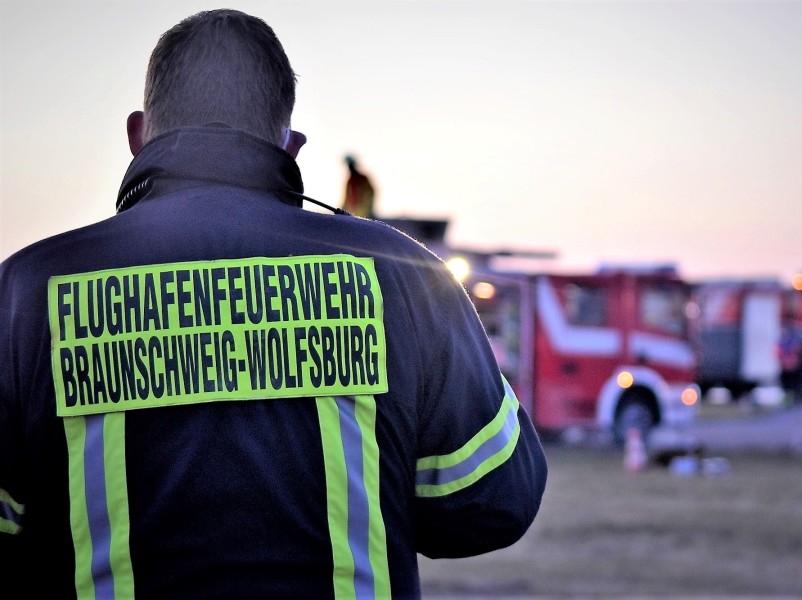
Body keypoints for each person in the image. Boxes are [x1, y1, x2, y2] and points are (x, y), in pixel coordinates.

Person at [0, 10, 547, 599]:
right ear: (292, 145)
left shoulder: (25, 291)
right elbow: (493, 502)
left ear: (137, 135)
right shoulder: (403, 274)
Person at [341, 154, 377, 218]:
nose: (350, 168)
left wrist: (369, 207)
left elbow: (371, 192)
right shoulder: (350, 181)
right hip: (353, 210)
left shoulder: (363, 179)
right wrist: (342, 209)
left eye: (351, 166)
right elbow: (346, 196)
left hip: (364, 211)